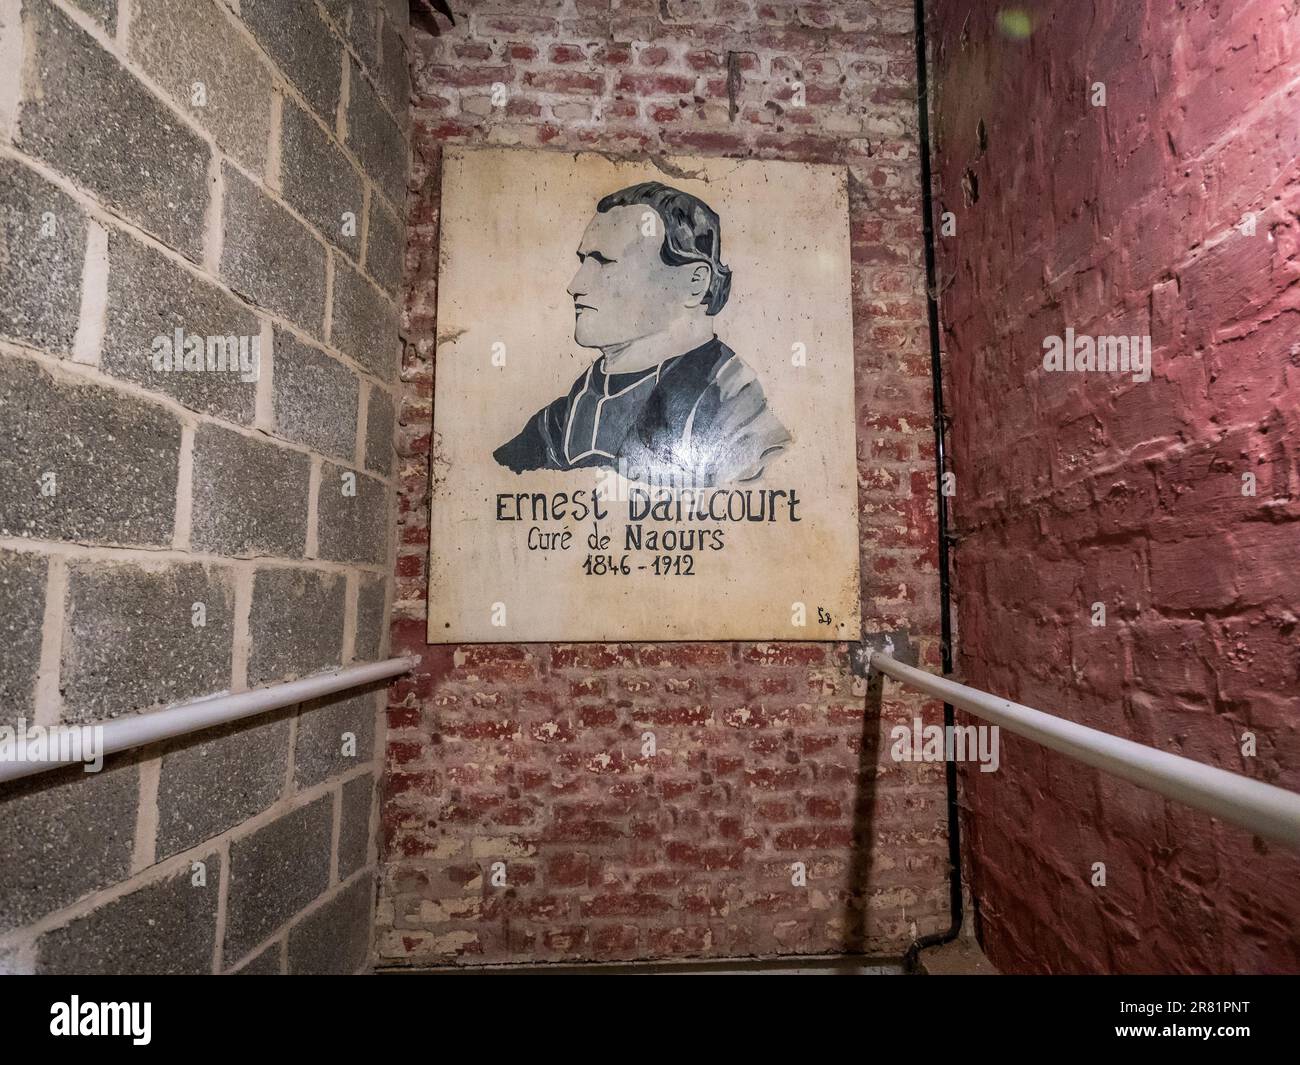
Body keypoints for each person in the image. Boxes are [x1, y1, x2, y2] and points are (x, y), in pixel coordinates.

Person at [493, 181, 791, 486]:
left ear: (694, 282)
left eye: (605, 262)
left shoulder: (736, 412)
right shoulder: (559, 422)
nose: (575, 285)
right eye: (584, 262)